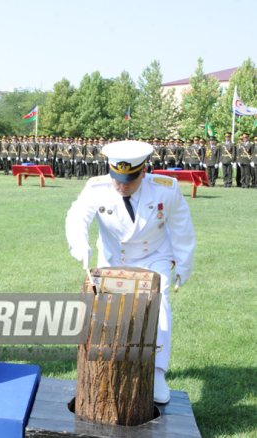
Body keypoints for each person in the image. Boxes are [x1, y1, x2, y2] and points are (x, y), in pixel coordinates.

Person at [65, 140, 195, 404]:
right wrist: (79, 243)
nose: (122, 185)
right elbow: (76, 217)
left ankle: (157, 372)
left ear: (144, 171)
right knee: (110, 313)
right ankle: (111, 366)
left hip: (154, 257)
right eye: (117, 179)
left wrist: (183, 265)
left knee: (159, 306)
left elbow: (182, 229)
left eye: (130, 179)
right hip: (114, 258)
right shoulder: (96, 188)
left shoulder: (165, 190)